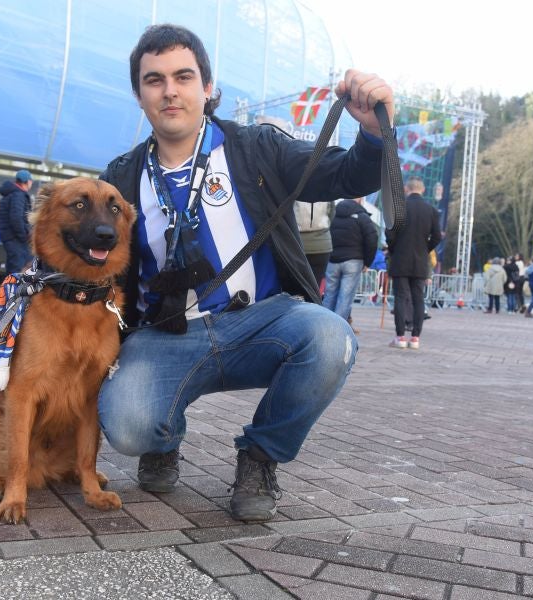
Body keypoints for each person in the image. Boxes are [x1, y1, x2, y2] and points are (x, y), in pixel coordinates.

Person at [97, 24, 393, 522]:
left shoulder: (256, 148)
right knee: (127, 427)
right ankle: (161, 436)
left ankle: (259, 457)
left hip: (261, 320)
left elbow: (347, 174)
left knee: (329, 337)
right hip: (166, 334)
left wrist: (373, 132)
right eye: (155, 80)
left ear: (207, 88)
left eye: (183, 76)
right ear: (139, 94)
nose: (170, 90)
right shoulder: (121, 176)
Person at [386, 176, 441, 349]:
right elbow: (438, 236)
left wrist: (394, 248)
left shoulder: (399, 207)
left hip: (401, 259)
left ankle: (400, 336)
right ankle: (415, 337)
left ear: (406, 189)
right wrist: (426, 248)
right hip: (420, 260)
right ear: (423, 190)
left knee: (401, 298)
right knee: (418, 298)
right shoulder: (431, 210)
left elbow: (390, 234)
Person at [323, 198, 377, 325]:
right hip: (353, 261)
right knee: (345, 298)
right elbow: (372, 239)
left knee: (329, 295)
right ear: (359, 200)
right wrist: (367, 262)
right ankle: (338, 328)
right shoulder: (362, 217)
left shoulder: (333, 214)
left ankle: (324, 324)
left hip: (332, 260)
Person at [0, 170, 34, 273]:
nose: (31, 183)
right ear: (26, 181)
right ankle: (14, 289)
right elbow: (16, 218)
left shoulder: (10, 194)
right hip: (16, 238)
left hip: (10, 237)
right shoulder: (18, 195)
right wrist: (24, 236)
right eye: (31, 180)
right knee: (18, 269)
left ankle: (11, 288)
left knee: (14, 267)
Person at [295, 200, 334, 292]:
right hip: (322, 244)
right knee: (315, 287)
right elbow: (331, 213)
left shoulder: (294, 187)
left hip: (298, 243)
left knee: (296, 287)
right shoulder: (327, 188)